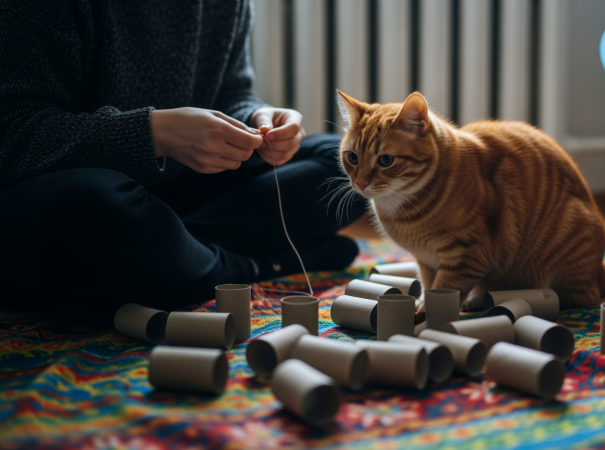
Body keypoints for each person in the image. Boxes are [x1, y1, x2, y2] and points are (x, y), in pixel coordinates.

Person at [0, 1, 367, 315]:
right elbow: (13, 132)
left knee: (339, 165)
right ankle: (248, 265)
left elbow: (233, 93)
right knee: (99, 202)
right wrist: (153, 133)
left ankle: (174, 257)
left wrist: (259, 119)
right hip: (74, 197)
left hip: (168, 200)